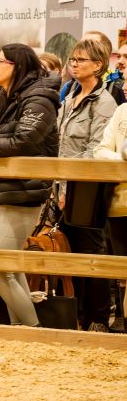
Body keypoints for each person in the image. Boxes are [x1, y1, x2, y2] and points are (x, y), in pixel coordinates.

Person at [0, 44, 59, 327]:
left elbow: (23, 142)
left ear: (17, 65)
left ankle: (34, 332)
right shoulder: (0, 97)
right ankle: (18, 333)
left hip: (23, 190)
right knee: (10, 268)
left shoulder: (39, 100)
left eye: (1, 61)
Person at [55, 38, 117, 331]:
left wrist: (68, 185)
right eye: (73, 59)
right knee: (69, 251)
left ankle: (99, 317)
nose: (74, 64)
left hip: (88, 189)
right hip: (62, 185)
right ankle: (76, 313)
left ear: (98, 65)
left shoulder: (104, 102)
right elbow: (59, 144)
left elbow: (94, 148)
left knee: (92, 252)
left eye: (81, 60)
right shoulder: (68, 98)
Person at [93, 102, 127, 318]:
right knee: (123, 275)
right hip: (119, 205)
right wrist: (122, 161)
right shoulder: (122, 110)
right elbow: (100, 150)